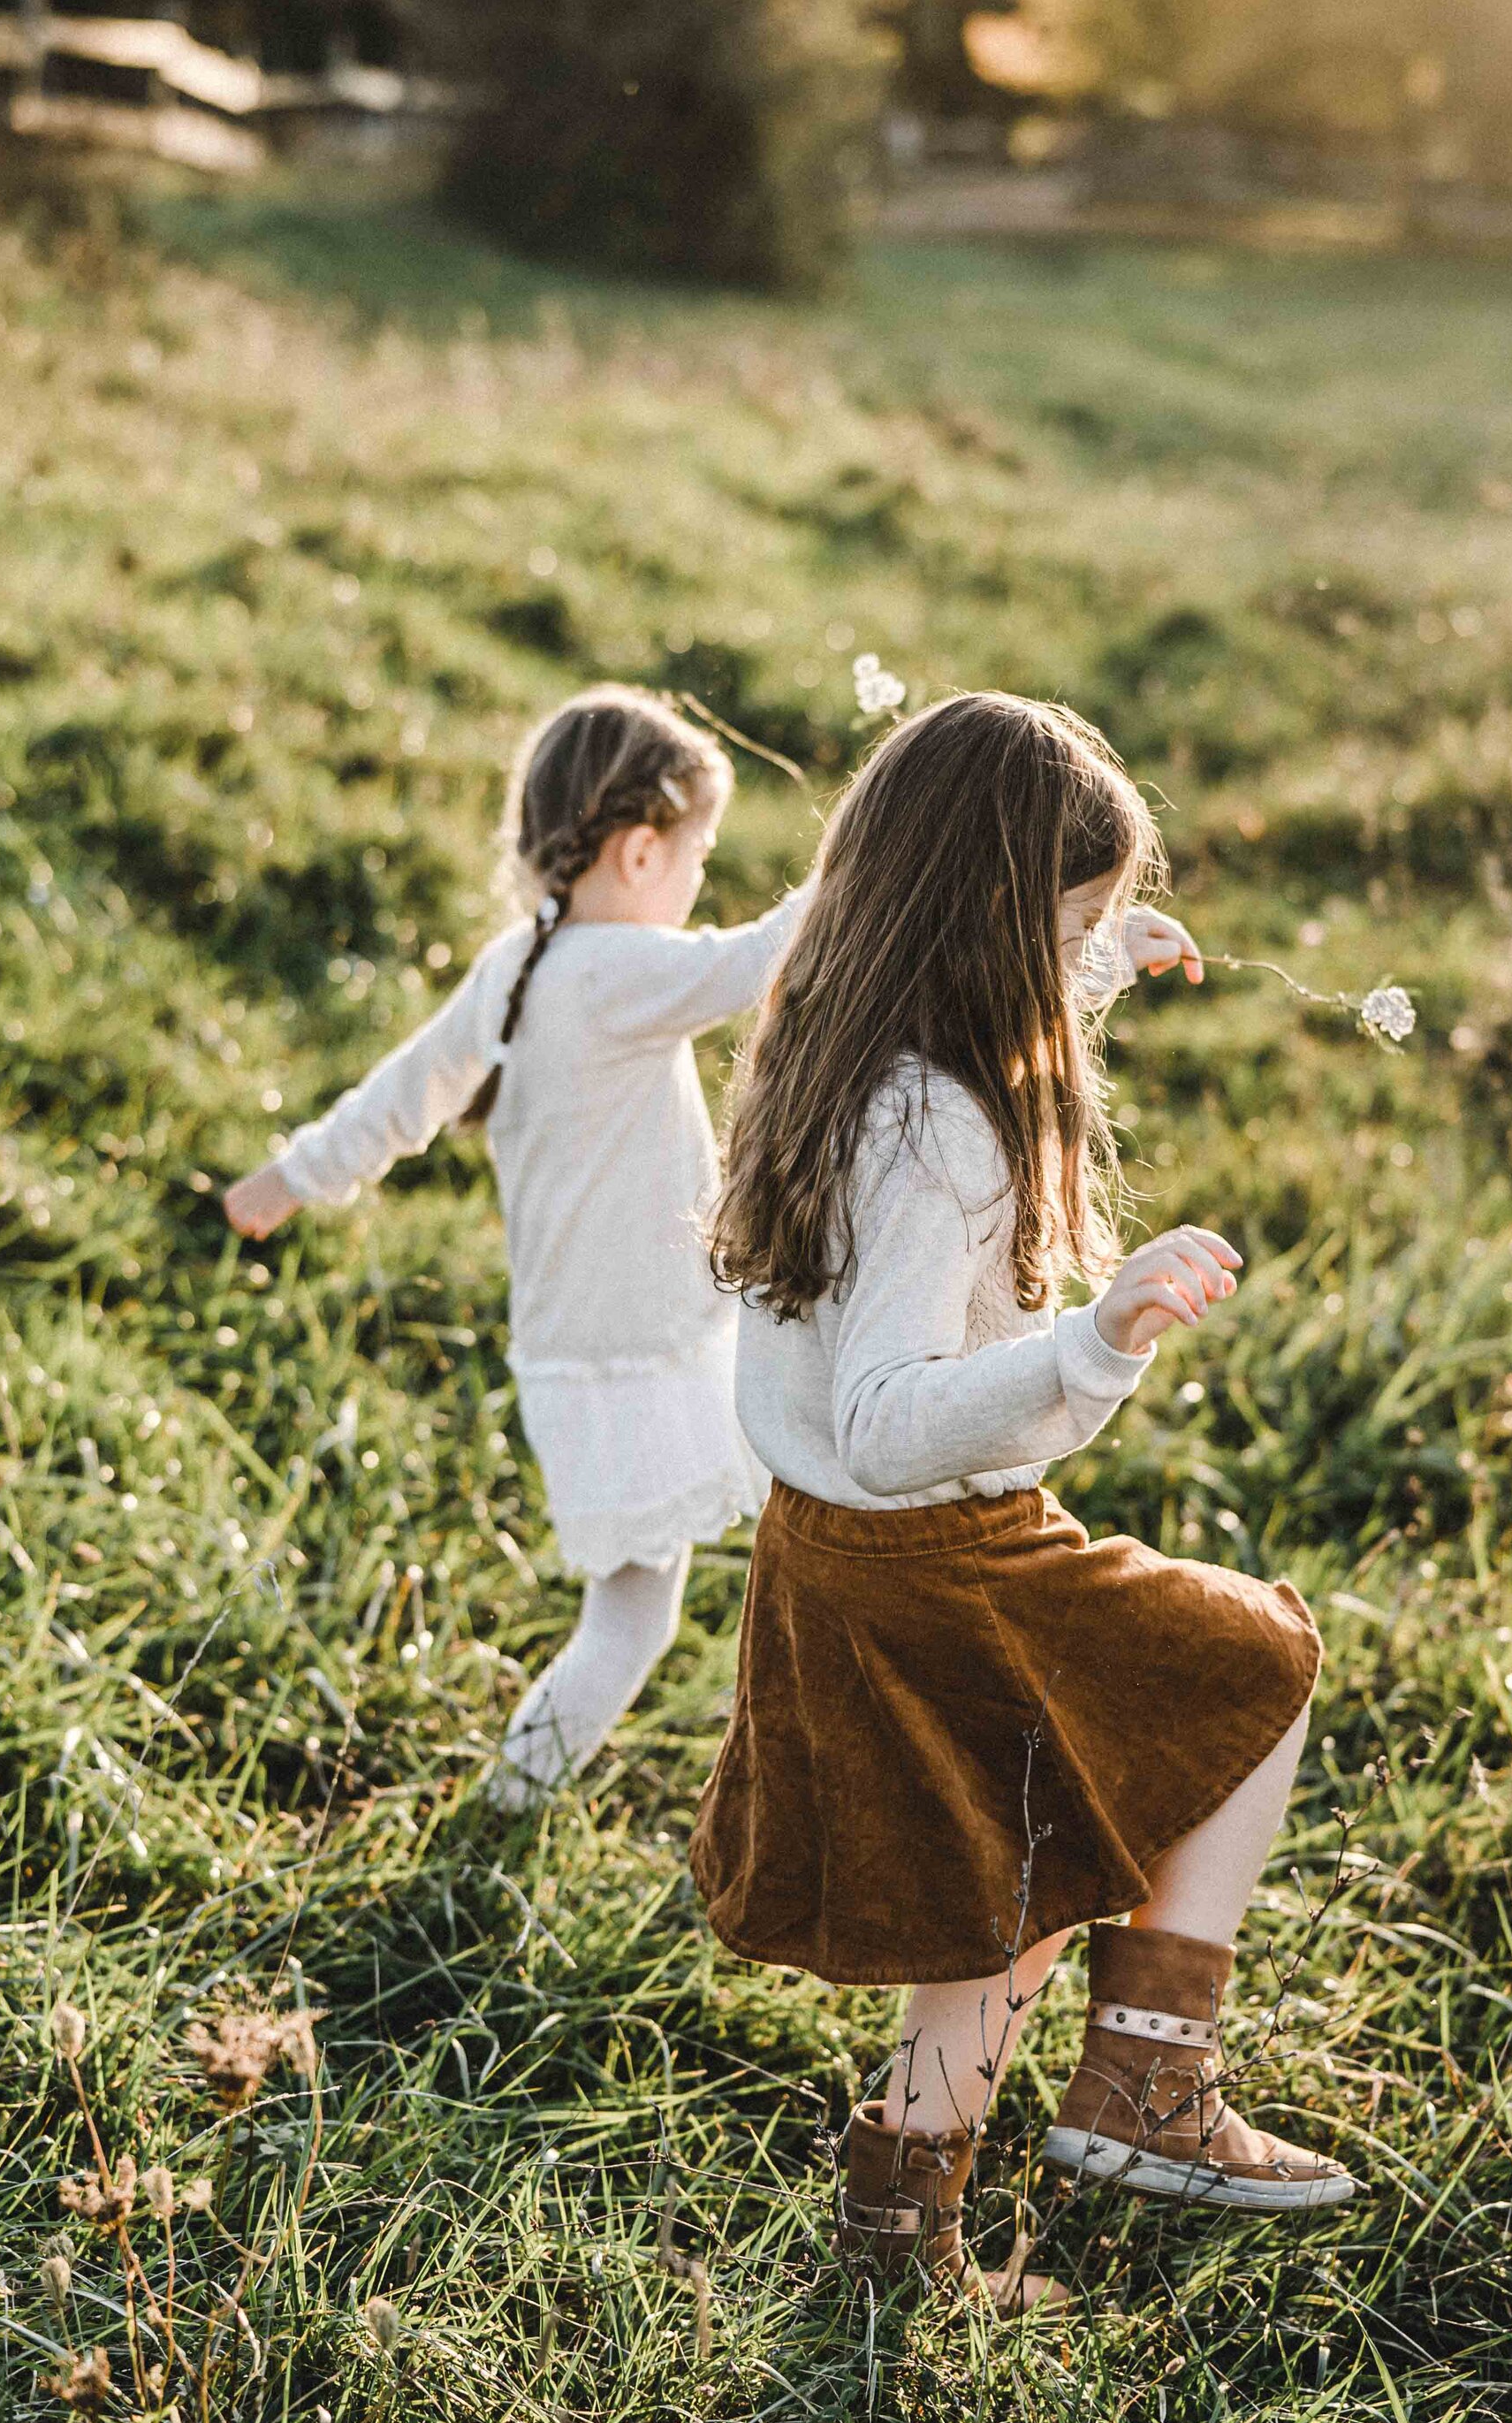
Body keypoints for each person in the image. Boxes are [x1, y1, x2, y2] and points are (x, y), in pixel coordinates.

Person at [696, 690, 1358, 2310]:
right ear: (993, 921)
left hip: (828, 1557)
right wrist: (1094, 1337)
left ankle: (897, 2241)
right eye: (1071, 918)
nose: (1089, 943)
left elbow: (860, 1337)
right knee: (1258, 1665)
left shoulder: (833, 1033)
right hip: (941, 1552)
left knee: (1019, 1881)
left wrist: (1094, 971)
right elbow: (892, 1412)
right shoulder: (945, 1134)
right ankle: (1152, 2076)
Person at [225, 684, 810, 1807]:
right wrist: (882, 850)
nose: (699, 879)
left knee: (646, 1607)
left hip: (583, 1353)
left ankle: (546, 1795)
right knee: (636, 1620)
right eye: (699, 853)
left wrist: (290, 1179)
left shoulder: (523, 964)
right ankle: (509, 1807)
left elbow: (404, 1094)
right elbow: (760, 958)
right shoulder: (616, 972)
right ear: (641, 853)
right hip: (644, 1352)